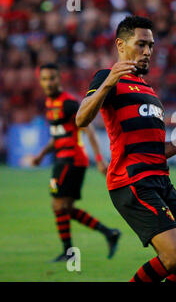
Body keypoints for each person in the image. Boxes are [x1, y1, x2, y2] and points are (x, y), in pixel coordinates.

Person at [75, 16, 176, 282]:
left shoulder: (148, 89)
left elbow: (158, 150)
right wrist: (108, 82)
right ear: (121, 45)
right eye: (141, 44)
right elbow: (81, 119)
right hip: (132, 181)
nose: (147, 52)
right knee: (175, 257)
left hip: (161, 180)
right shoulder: (106, 78)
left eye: (151, 46)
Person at [31, 63, 121, 262]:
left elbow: (88, 130)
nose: (48, 83)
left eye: (52, 78)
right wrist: (40, 155)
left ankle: (68, 252)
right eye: (44, 79)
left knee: (58, 205)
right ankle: (108, 233)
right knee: (64, 208)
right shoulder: (49, 103)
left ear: (59, 79)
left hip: (70, 159)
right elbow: (57, 136)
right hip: (62, 159)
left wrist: (98, 158)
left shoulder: (69, 103)